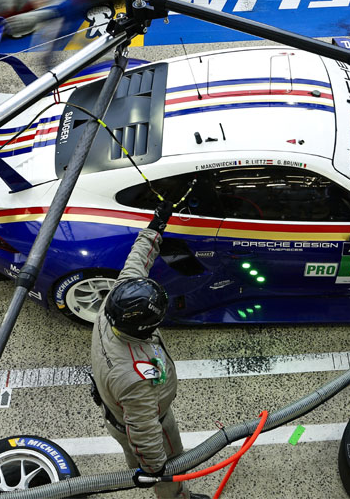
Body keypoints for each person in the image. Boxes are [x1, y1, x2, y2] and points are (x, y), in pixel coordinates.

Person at [91, 200, 209, 499]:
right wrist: (156, 469)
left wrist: (156, 226)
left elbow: (137, 260)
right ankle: (175, 496)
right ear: (144, 327)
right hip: (145, 419)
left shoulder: (117, 300)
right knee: (168, 469)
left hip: (115, 408)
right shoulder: (136, 378)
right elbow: (144, 434)